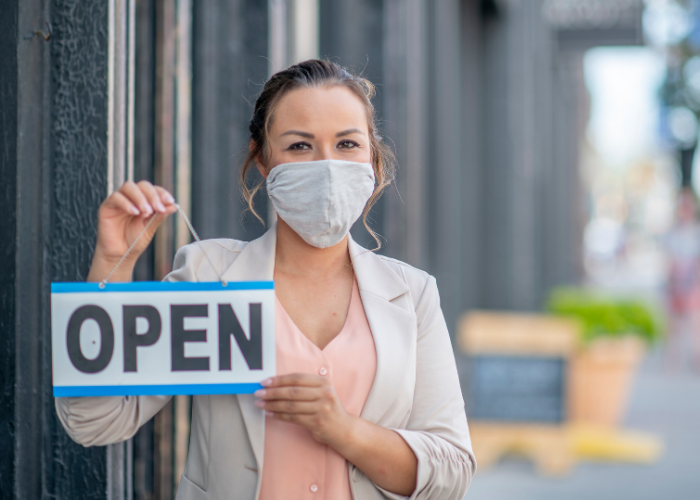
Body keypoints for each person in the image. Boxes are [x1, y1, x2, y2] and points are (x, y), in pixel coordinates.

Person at [56, 59, 475, 499]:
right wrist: (111, 264)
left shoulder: (412, 294)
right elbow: (93, 421)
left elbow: (451, 471)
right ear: (262, 159)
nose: (327, 166)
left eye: (347, 143)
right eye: (299, 146)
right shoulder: (209, 276)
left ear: (371, 156)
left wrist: (341, 429)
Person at [664, 188, 700, 371]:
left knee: (694, 323)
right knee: (675, 325)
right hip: (676, 282)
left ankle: (696, 356)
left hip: (691, 282)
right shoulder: (673, 232)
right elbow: (668, 260)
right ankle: (673, 358)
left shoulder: (695, 231)